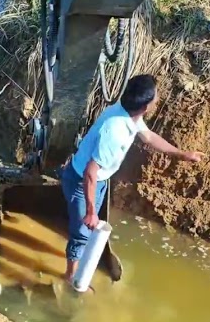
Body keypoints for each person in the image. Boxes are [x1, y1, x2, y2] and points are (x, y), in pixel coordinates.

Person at [60, 75, 201, 290]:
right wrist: (90, 210)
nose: (158, 99)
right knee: (81, 233)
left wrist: (182, 154)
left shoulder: (128, 113)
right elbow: (91, 172)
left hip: (97, 181)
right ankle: (71, 278)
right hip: (82, 182)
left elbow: (149, 137)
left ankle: (78, 262)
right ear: (145, 107)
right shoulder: (115, 131)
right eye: (156, 97)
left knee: (86, 230)